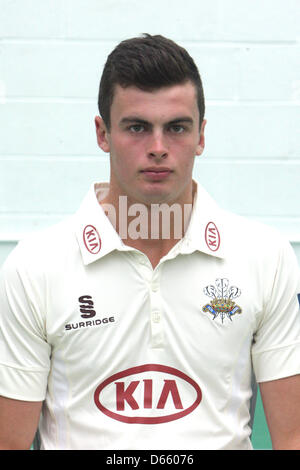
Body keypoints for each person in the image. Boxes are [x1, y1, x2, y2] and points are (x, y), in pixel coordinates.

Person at [0, 34, 300, 451]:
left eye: (176, 128)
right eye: (137, 127)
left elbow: (292, 438)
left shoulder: (266, 258)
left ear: (201, 135)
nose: (158, 148)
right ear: (103, 133)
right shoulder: (34, 266)